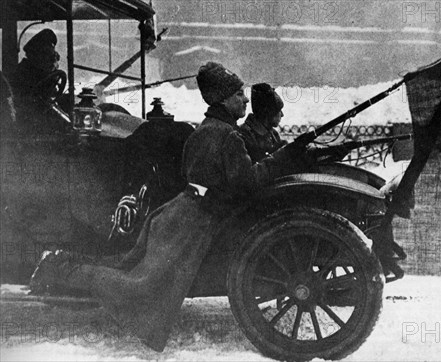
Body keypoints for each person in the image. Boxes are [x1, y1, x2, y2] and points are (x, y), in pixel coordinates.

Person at [29, 62, 304, 352]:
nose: (245, 100)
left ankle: (63, 263)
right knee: (137, 285)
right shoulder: (227, 136)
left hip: (181, 213)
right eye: (239, 94)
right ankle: (59, 270)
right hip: (191, 223)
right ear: (224, 99)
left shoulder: (208, 129)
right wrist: (283, 158)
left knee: (127, 266)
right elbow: (248, 181)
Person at [7, 29, 63, 129]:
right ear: (36, 55)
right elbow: (36, 101)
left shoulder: (39, 72)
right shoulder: (22, 73)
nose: (52, 61)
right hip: (26, 124)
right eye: (48, 56)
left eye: (52, 56)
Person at [238, 83, 287, 162]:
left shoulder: (273, 133)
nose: (282, 115)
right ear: (269, 112)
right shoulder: (245, 136)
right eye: (278, 111)